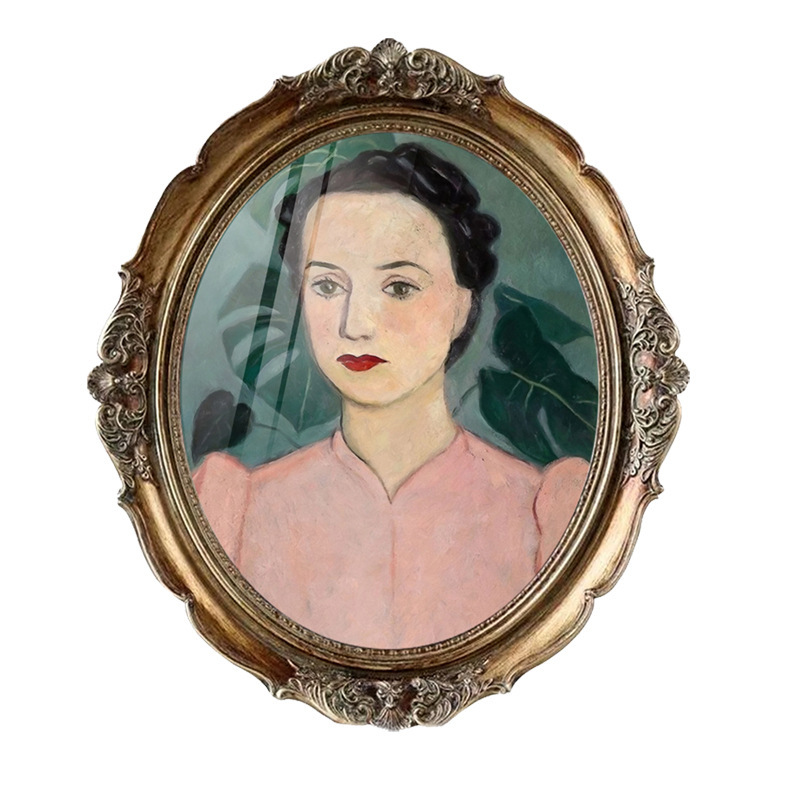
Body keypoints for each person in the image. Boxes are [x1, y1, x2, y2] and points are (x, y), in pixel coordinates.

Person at [193, 144, 589, 649]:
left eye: (399, 287)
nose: (355, 325)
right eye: (327, 285)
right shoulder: (236, 509)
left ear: (461, 308)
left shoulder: (546, 513)